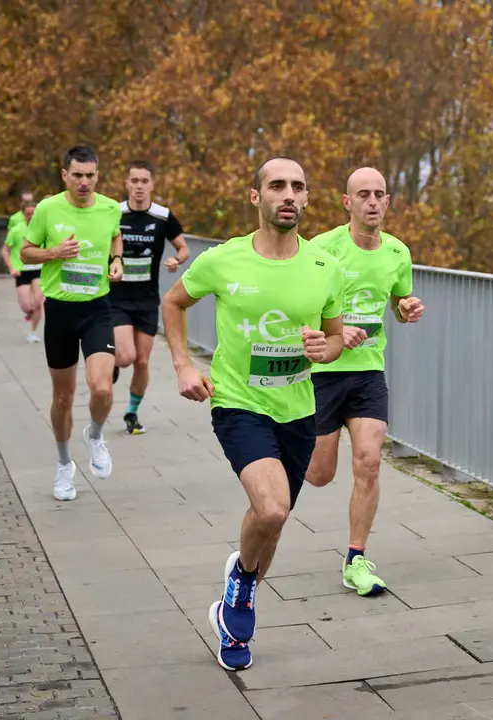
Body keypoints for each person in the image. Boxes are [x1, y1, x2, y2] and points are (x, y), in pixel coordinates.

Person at [161, 157, 344, 672]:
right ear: (255, 196)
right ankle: (240, 583)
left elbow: (334, 340)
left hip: (298, 411)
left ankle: (234, 609)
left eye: (299, 187)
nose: (289, 194)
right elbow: (173, 303)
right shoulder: (224, 259)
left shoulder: (325, 267)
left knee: (274, 527)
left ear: (307, 199)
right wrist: (182, 365)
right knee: (271, 511)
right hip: (239, 403)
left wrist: (323, 348)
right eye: (278, 185)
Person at [302, 167, 424, 596]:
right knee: (318, 473)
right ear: (346, 202)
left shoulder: (397, 253)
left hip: (369, 371)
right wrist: (334, 330)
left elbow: (397, 303)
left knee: (369, 462)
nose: (372, 202)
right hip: (323, 373)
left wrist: (405, 309)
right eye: (363, 195)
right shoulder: (322, 249)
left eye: (379, 195)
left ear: (388, 202)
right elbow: (301, 305)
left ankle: (356, 559)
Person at [20, 145, 124, 502]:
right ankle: (64, 465)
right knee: (62, 399)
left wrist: (116, 260)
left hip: (97, 308)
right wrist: (54, 253)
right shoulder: (48, 208)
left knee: (103, 389)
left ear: (98, 175)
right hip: (60, 312)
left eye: (90, 175)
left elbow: (114, 234)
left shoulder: (111, 207)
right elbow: (26, 251)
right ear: (64, 174)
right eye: (77, 175)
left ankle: (94, 435)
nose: (84, 182)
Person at [112, 159, 190, 435]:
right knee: (125, 357)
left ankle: (132, 412)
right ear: (127, 184)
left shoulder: (162, 216)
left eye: (144, 181)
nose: (139, 187)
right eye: (134, 181)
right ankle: (110, 360)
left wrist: (176, 260)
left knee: (142, 361)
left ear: (152, 184)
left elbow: (183, 248)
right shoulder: (114, 212)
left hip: (146, 300)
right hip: (117, 298)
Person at [4, 198, 44, 343]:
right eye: (28, 214)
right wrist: (11, 268)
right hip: (21, 270)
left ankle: (33, 332)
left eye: (33, 213)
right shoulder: (16, 230)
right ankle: (29, 312)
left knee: (39, 303)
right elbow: (5, 250)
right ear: (23, 214)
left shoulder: (42, 229)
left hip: (39, 269)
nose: (31, 216)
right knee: (27, 305)